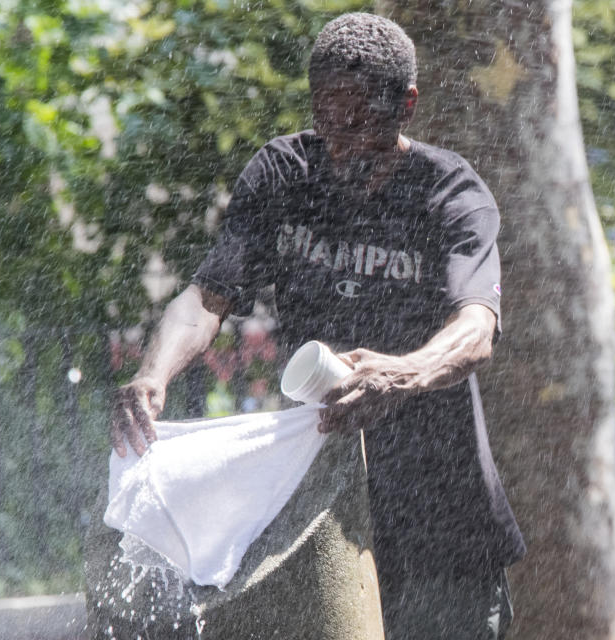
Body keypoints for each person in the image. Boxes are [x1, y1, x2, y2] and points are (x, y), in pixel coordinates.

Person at [109, 12, 525, 640]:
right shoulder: (283, 175)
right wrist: (152, 372)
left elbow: (477, 326)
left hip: (444, 520)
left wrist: (404, 373)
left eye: (359, 119)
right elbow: (207, 298)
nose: (340, 139)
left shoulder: (450, 193)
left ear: (405, 105)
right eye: (326, 116)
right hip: (320, 513)